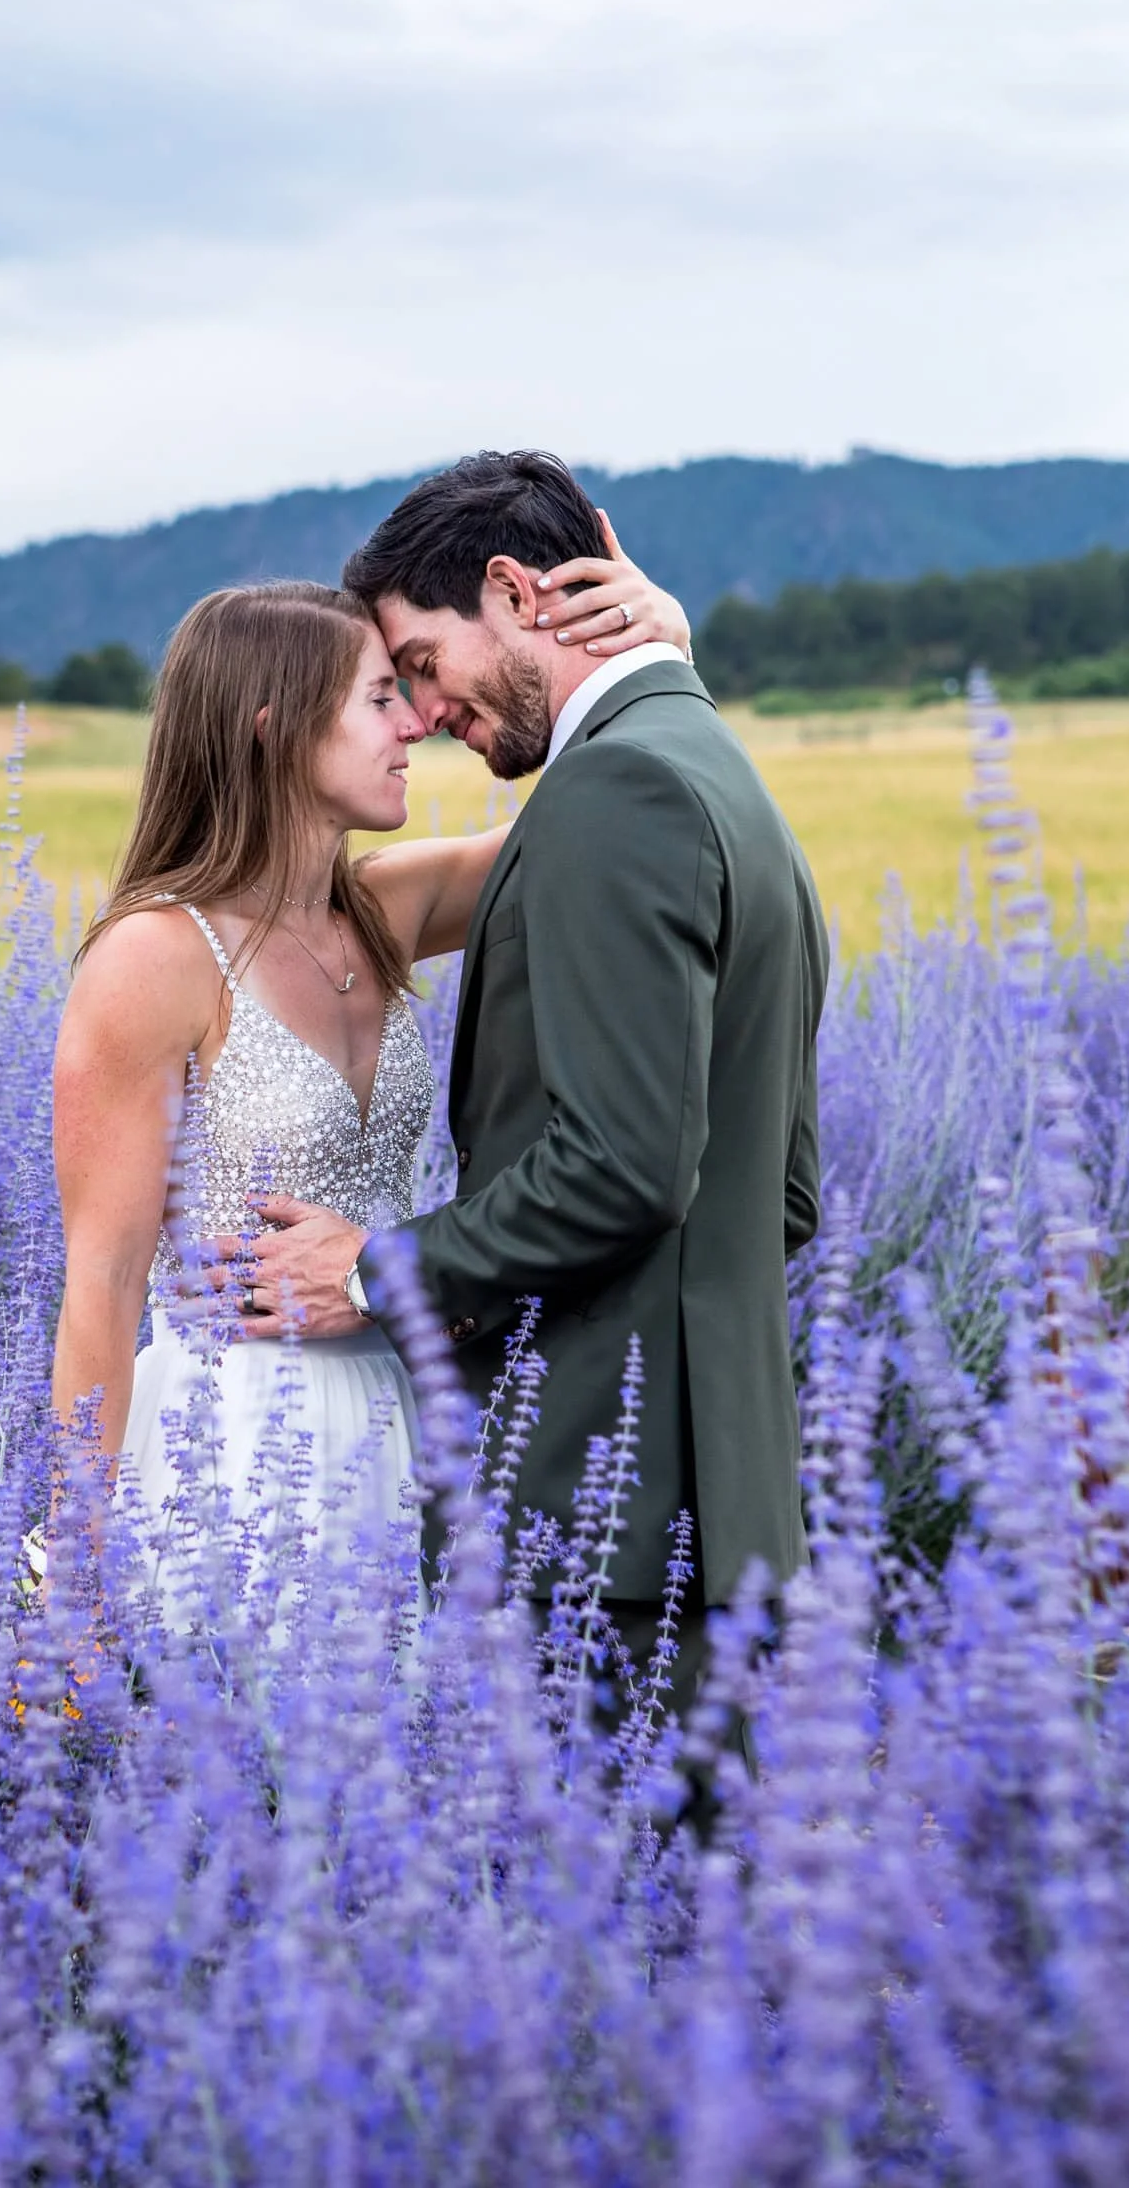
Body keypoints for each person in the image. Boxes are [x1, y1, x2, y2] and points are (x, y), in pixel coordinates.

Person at [225, 452, 828, 1713]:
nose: (424, 710)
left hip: (602, 1518)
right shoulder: (712, 770)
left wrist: (373, 1274)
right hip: (712, 1519)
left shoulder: (617, 789)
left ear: (512, 591)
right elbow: (781, 1196)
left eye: (423, 662)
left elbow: (622, 1167)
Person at [48, 557, 692, 1605]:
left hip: (409, 1423)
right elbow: (103, 1281)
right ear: (275, 729)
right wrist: (70, 1586)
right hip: (235, 1449)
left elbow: (620, 811)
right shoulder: (153, 957)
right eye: (381, 698)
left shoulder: (383, 912)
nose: (417, 725)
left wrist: (658, 653)